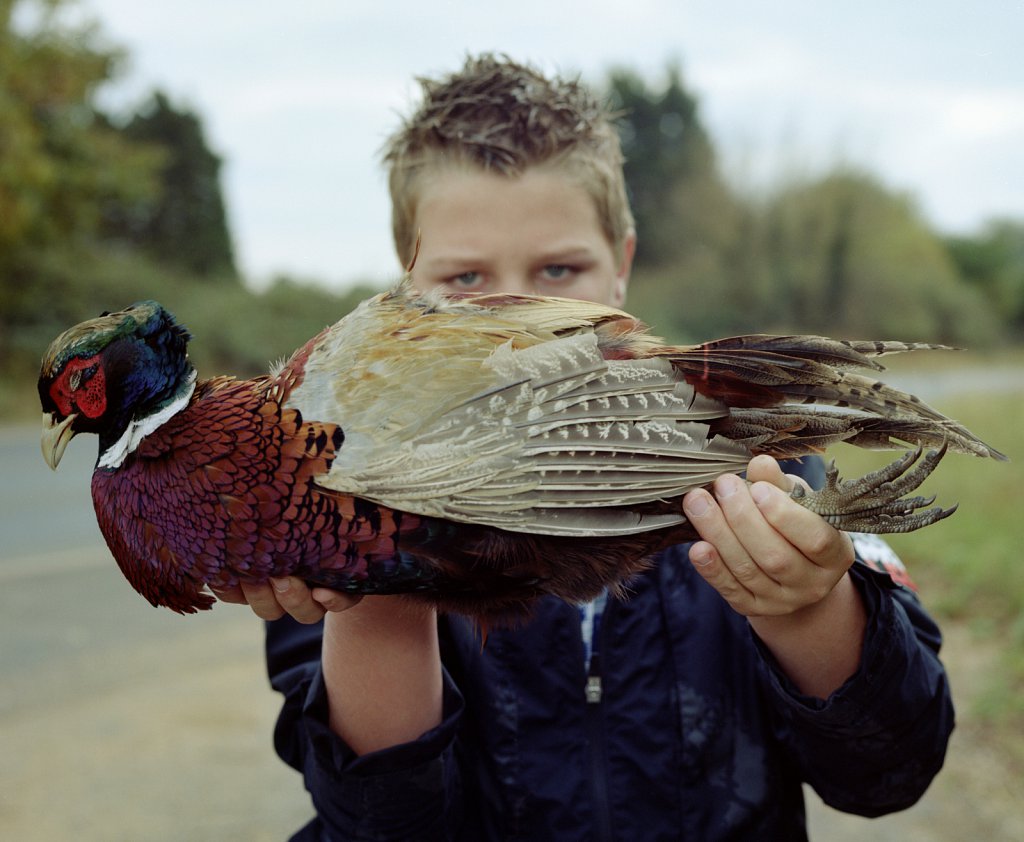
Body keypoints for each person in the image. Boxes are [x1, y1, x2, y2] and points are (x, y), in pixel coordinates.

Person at [217, 54, 953, 840]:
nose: (515, 314)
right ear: (404, 293)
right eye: (465, 281)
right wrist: (382, 585)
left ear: (621, 265)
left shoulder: (744, 457)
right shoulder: (337, 498)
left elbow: (890, 771)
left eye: (559, 268)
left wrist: (808, 606)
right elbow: (380, 825)